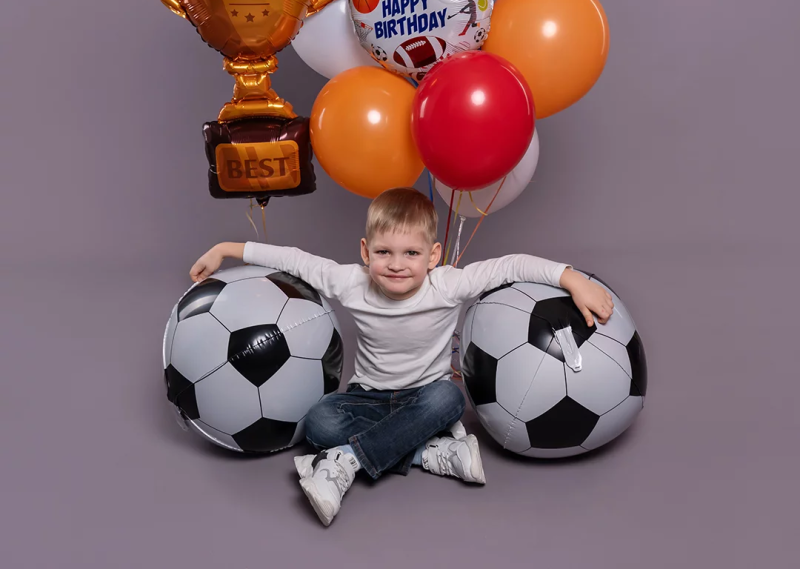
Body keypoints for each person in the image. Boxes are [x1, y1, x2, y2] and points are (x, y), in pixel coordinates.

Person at [190, 187, 614, 526]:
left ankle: (347, 462)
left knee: (450, 399)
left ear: (433, 256)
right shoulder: (350, 283)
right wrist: (226, 248)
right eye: (384, 253)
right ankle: (427, 453)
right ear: (365, 252)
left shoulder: (446, 285)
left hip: (426, 399)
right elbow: (293, 259)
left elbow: (510, 266)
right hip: (367, 398)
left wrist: (570, 278)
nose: (396, 265)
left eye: (411, 253)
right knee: (319, 421)